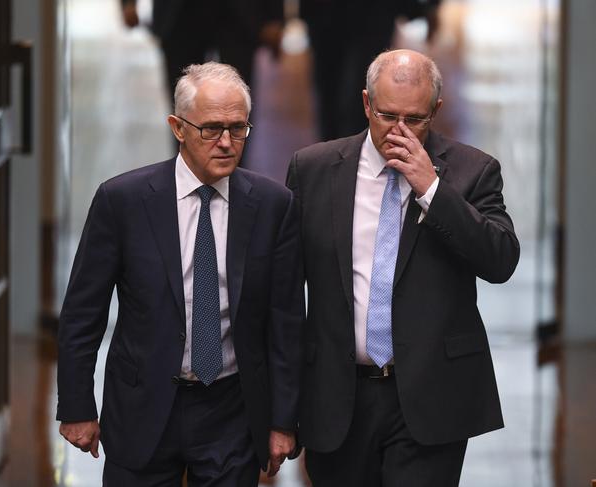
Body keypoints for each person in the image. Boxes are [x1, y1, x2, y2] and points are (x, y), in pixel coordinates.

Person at [57, 61, 303, 486]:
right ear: (178, 127)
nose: (226, 142)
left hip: (231, 410)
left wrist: (283, 420)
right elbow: (83, 312)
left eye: (238, 128)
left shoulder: (272, 205)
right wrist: (78, 406)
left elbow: (286, 324)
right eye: (211, 129)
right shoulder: (124, 201)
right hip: (143, 406)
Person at [286, 49, 519, 486]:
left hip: (432, 397)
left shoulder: (473, 171)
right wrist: (280, 405)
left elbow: (501, 259)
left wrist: (431, 187)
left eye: (414, 119)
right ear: (366, 104)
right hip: (337, 398)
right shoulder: (313, 169)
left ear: (436, 110)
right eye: (386, 115)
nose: (398, 131)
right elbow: (282, 291)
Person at [300, 0, 442, 141]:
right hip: (329, 12)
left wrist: (432, 6)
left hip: (372, 12)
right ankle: (336, 153)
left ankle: (352, 153)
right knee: (331, 90)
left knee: (360, 90)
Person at [120, 0, 284, 109]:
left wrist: (275, 15)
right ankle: (185, 161)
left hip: (237, 15)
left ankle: (233, 161)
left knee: (237, 103)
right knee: (184, 104)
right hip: (180, 14)